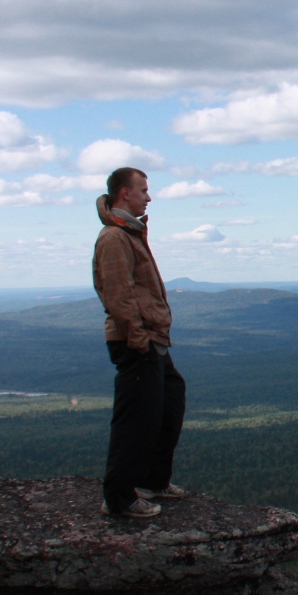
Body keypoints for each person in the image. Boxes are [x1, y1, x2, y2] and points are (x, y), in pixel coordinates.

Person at [93, 167, 186, 518]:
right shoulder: (114, 237)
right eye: (143, 190)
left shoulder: (129, 232)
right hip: (136, 341)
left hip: (151, 338)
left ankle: (151, 481)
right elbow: (118, 294)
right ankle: (119, 498)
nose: (148, 197)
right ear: (124, 193)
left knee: (169, 403)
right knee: (136, 420)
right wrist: (138, 339)